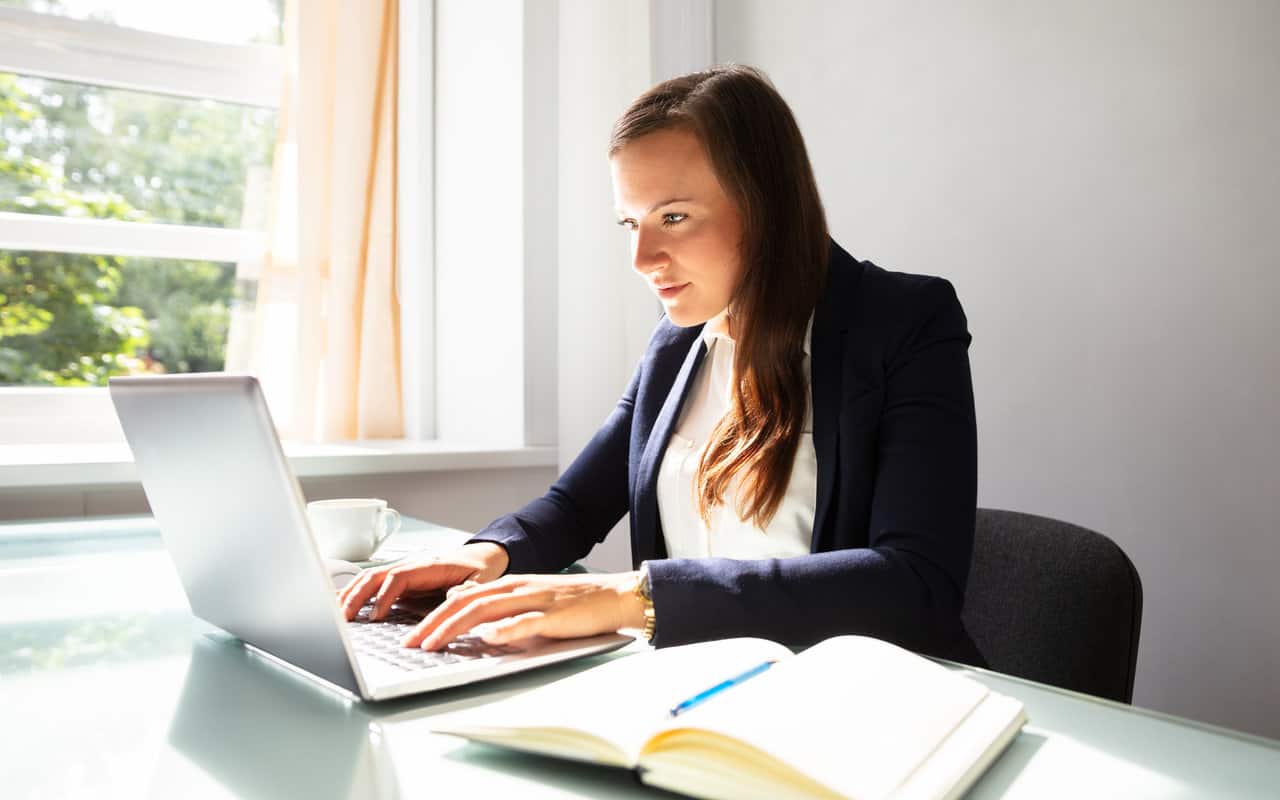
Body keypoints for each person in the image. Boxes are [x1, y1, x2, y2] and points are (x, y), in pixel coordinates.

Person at [339, 64, 984, 664]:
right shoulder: (678, 342)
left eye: (673, 217)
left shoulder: (906, 322)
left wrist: (637, 598)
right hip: (698, 693)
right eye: (631, 223)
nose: (642, 259)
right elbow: (575, 505)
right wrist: (485, 553)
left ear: (766, 206)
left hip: (866, 707)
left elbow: (915, 583)